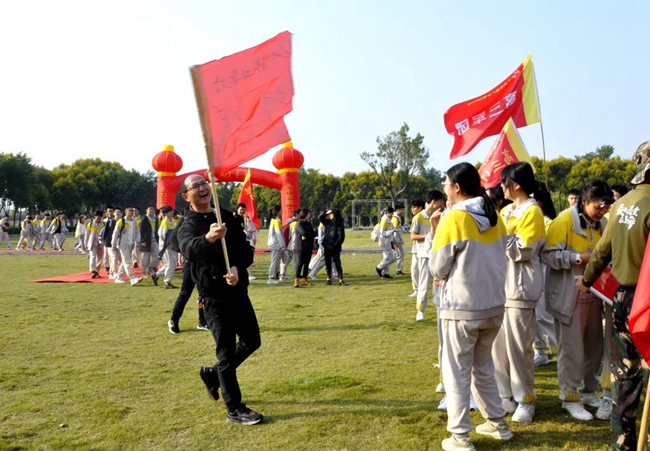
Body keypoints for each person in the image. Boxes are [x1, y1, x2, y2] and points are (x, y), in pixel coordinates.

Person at [430, 162, 512, 451]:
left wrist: (434, 233)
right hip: (493, 306)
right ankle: (497, 424)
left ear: (457, 187)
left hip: (462, 307)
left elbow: (438, 268)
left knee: (457, 372)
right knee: (482, 368)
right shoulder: (495, 216)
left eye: (446, 184)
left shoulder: (453, 218)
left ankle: (460, 437)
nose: (444, 189)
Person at [577, 141, 650, 450]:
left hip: (622, 301)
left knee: (624, 380)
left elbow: (601, 253)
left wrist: (587, 280)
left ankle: (623, 444)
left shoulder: (620, 206)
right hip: (646, 301)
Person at [176, 174, 263, 425]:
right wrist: (209, 238)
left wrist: (235, 267)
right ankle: (234, 409)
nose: (202, 188)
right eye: (196, 186)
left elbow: (245, 250)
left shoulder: (226, 217)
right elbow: (189, 249)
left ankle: (213, 375)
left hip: (237, 291)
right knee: (225, 353)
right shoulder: (187, 224)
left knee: (251, 341)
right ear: (186, 195)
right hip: (213, 297)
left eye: (205, 184)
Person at [542, 180, 614, 421]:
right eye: (598, 206)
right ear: (584, 202)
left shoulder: (603, 223)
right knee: (571, 350)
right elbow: (547, 256)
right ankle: (570, 397)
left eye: (606, 206)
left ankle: (588, 390)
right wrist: (577, 258)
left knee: (593, 348)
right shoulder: (563, 221)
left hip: (595, 295)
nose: (603, 210)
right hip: (568, 295)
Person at [493, 162, 546, 424]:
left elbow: (523, 249)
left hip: (521, 287)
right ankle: (505, 396)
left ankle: (526, 399)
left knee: (519, 347)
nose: (501, 186)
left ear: (517, 184)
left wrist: (499, 238)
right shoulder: (505, 211)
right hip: (500, 287)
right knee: (498, 346)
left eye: (505, 182)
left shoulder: (532, 211)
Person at [532, 182, 558, 367]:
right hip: (531, 271)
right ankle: (539, 351)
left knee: (543, 315)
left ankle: (560, 349)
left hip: (543, 269)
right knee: (532, 316)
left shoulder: (549, 222)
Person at [112, 207, 143, 286]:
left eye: (133, 211)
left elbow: (137, 232)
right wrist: (113, 244)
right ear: (126, 212)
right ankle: (132, 277)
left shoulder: (134, 221)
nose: (132, 212)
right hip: (123, 244)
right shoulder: (121, 221)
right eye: (130, 211)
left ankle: (118, 277)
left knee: (125, 261)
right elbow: (115, 234)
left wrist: (138, 241)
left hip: (131, 244)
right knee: (127, 262)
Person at [320, 208, 347, 286]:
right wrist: (325, 212)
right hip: (327, 246)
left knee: (337, 263)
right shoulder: (328, 223)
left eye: (331, 214)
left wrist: (335, 245)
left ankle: (340, 279)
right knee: (328, 264)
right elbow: (320, 217)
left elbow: (341, 237)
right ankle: (329, 278)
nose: (330, 215)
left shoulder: (339, 224)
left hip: (335, 247)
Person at [156, 205, 178, 289]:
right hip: (166, 246)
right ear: (166, 213)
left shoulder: (171, 221)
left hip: (171, 245)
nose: (172, 212)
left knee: (171, 263)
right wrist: (168, 242)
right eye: (170, 211)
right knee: (169, 264)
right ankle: (167, 282)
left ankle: (156, 275)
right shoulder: (165, 222)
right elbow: (161, 234)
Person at [294, 208, 315, 287]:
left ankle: (304, 279)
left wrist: (307, 234)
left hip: (308, 245)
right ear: (305, 214)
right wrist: (307, 234)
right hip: (301, 246)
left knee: (307, 263)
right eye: (309, 213)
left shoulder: (308, 223)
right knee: (300, 263)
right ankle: (296, 280)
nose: (310, 215)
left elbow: (313, 233)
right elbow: (303, 232)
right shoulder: (299, 223)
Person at [408, 199, 425, 298]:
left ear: (420, 208)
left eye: (415, 207)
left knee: (417, 270)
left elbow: (413, 236)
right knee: (415, 269)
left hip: (422, 248)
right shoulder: (418, 217)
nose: (412, 209)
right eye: (412, 207)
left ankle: (419, 290)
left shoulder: (418, 217)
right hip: (418, 248)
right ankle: (417, 290)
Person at [267, 205, 287, 284]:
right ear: (276, 212)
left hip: (275, 243)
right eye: (280, 210)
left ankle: (275, 276)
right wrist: (283, 245)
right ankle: (271, 277)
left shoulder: (274, 220)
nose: (282, 211)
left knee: (276, 261)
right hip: (276, 244)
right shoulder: (276, 221)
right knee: (274, 261)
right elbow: (279, 234)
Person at [140, 205, 160, 282]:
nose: (151, 211)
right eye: (150, 209)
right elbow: (141, 230)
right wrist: (142, 241)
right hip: (146, 240)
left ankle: (151, 267)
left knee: (158, 254)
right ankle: (143, 272)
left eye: (153, 209)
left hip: (154, 239)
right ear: (146, 210)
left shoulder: (155, 219)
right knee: (146, 256)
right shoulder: (144, 218)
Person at [374, 207, 396, 278]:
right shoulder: (384, 220)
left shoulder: (388, 220)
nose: (392, 214)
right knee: (389, 257)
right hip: (384, 241)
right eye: (391, 213)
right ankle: (379, 268)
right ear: (387, 212)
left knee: (390, 257)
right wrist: (392, 231)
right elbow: (382, 232)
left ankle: (386, 273)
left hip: (388, 241)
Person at [85, 211, 105, 278]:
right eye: (97, 216)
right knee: (93, 257)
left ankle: (96, 271)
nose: (98, 218)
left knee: (99, 258)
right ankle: (93, 270)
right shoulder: (90, 224)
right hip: (92, 242)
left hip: (100, 243)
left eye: (100, 217)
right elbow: (87, 234)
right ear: (94, 216)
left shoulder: (103, 224)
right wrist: (86, 243)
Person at [101, 206, 116, 274]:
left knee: (113, 255)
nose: (110, 212)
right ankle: (107, 266)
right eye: (109, 211)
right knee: (106, 254)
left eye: (111, 211)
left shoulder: (116, 220)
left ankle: (112, 268)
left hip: (114, 239)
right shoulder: (104, 221)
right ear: (106, 212)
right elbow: (102, 231)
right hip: (106, 239)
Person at [392, 204, 406, 276]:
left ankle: (399, 270)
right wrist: (394, 242)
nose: (402, 211)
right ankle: (398, 271)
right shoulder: (395, 218)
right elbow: (393, 231)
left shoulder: (397, 218)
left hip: (398, 239)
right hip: (396, 240)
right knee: (399, 256)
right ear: (397, 210)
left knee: (399, 255)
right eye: (401, 210)